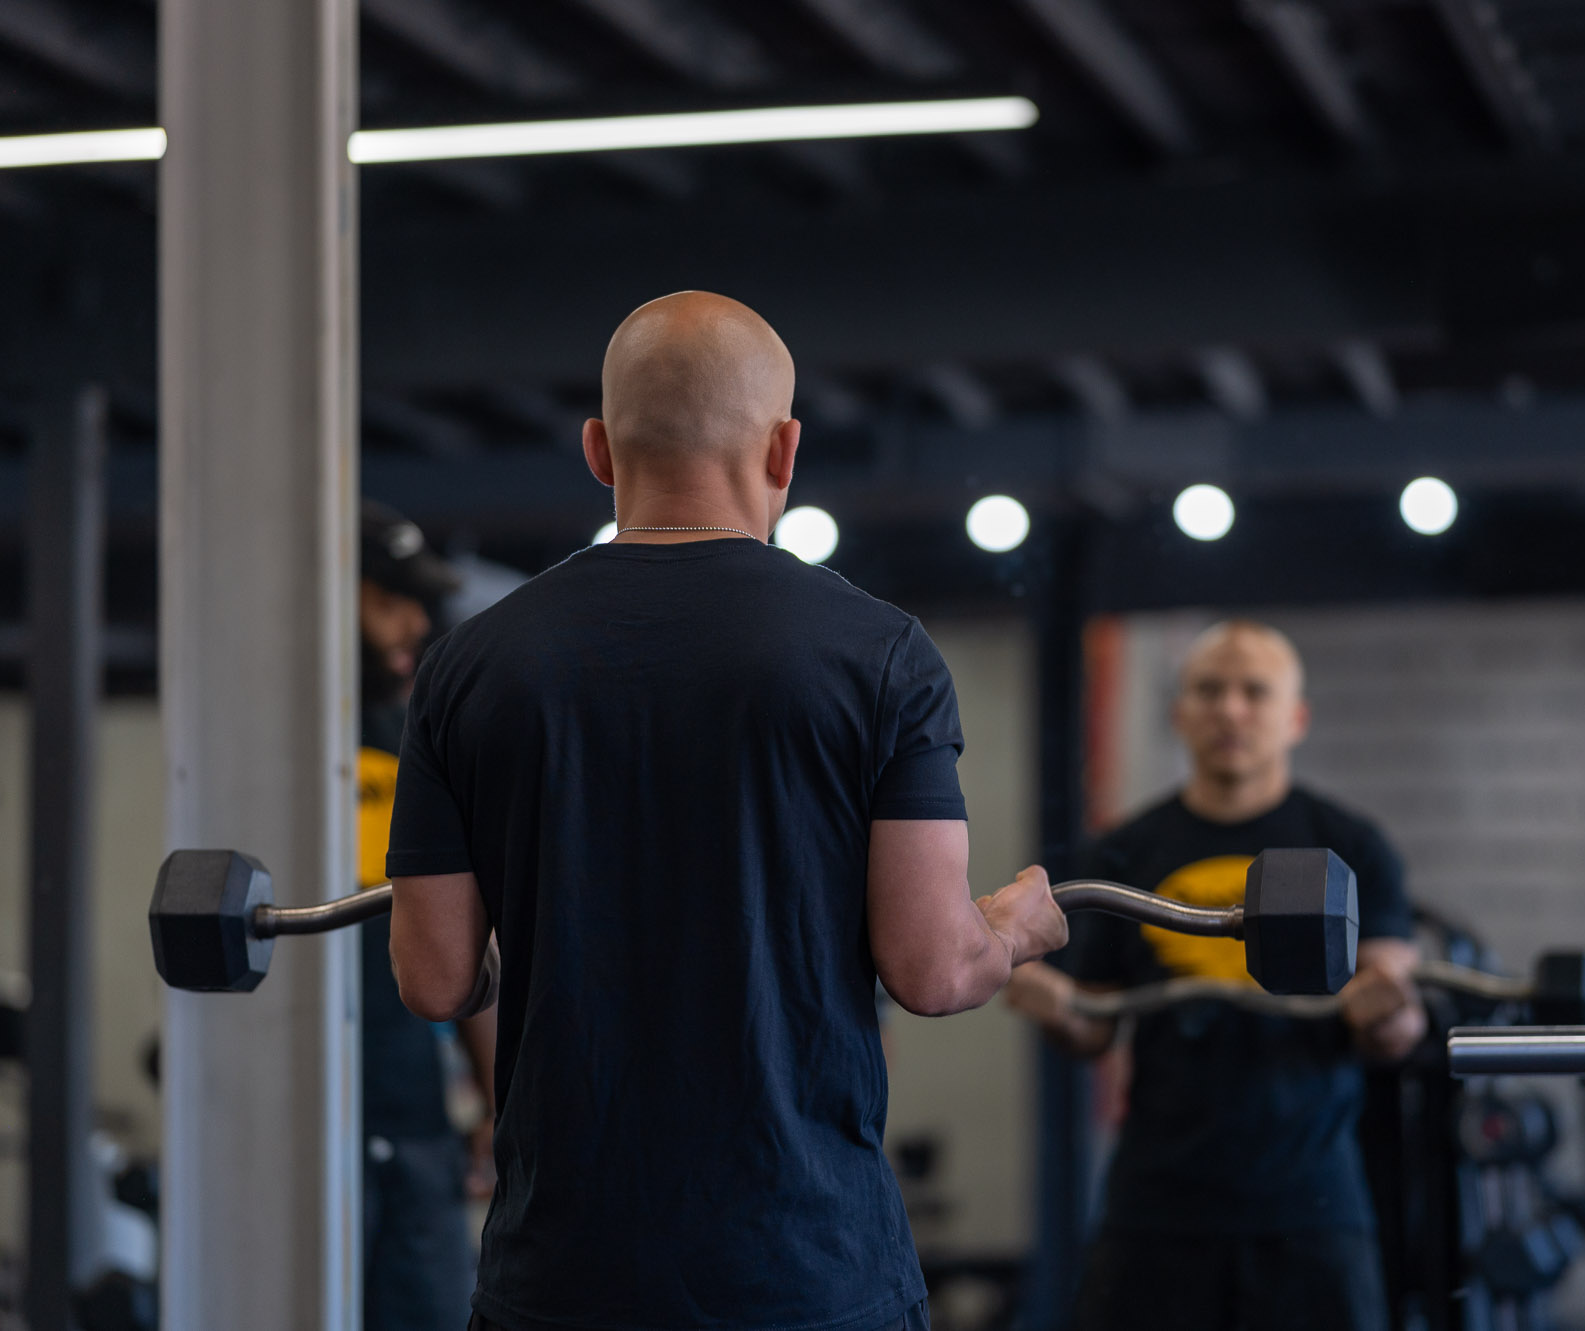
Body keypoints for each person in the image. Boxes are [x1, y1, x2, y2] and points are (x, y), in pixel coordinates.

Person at [381, 291, 1070, 1331]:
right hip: (804, 1274)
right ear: (785, 449)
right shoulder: (879, 656)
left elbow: (433, 976)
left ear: (598, 450)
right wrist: (1020, 923)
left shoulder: (468, 666)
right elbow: (932, 968)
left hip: (562, 1281)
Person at [1006, 620, 1426, 1331]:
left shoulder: (1350, 845)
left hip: (1310, 1203)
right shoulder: (1123, 852)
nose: (1230, 709)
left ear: (1294, 718)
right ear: (1179, 713)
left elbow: (1393, 1024)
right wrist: (1055, 1004)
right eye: (1209, 690)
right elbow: (1094, 1030)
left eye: (1254, 692)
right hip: (1160, 1201)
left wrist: (1389, 1009)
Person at [356, 500, 498, 1331]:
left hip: (413, 1120)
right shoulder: (254, 747)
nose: (412, 621)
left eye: (417, 598)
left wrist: (494, 1099)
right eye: (386, 598)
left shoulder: (410, 739)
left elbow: (468, 933)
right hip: (284, 1114)